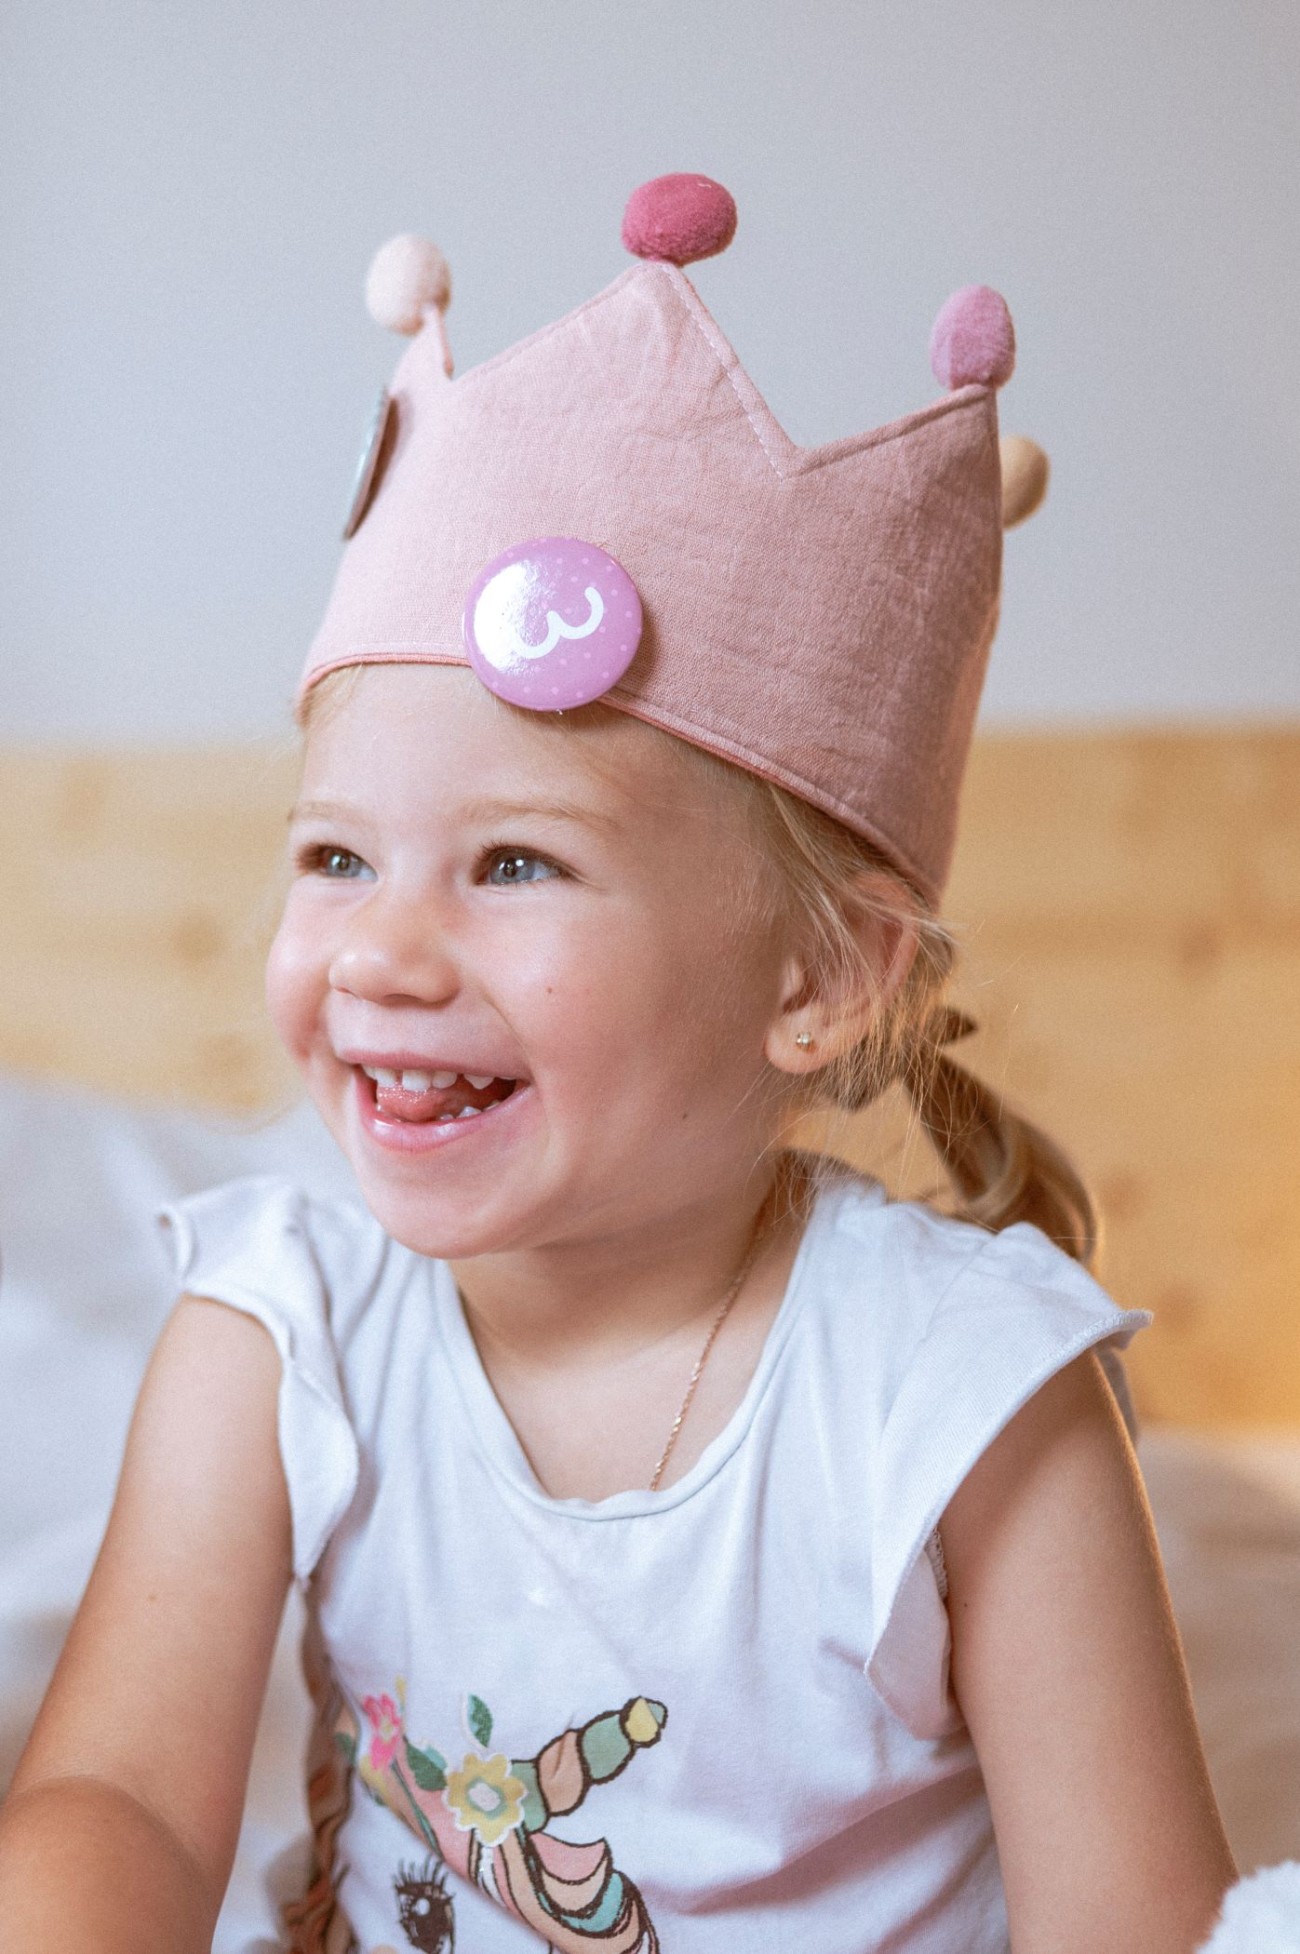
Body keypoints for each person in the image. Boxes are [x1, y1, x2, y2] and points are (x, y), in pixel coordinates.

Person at [0, 173, 1237, 1953]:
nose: (383, 950)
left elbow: (1132, 1923)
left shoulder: (966, 1403)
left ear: (817, 978)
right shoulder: (281, 1332)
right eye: (335, 855)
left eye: (514, 864)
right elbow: (113, 1793)